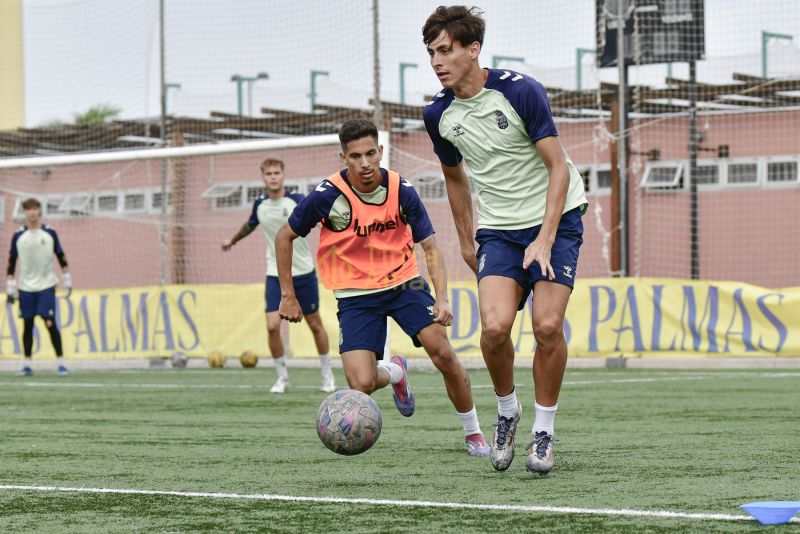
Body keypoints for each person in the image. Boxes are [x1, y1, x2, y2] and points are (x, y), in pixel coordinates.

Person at [422, 6, 588, 474]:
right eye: (432, 52)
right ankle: (507, 410)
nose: (437, 60)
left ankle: (544, 431)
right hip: (497, 229)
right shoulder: (438, 114)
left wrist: (545, 237)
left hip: (557, 218)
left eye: (446, 50)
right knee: (494, 329)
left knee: (548, 326)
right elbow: (454, 178)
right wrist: (466, 241)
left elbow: (558, 168)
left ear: (473, 49)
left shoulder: (520, 91)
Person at [276, 118, 490, 457]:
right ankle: (394, 372)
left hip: (406, 282)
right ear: (342, 158)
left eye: (371, 154)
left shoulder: (402, 190)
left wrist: (443, 298)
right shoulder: (327, 195)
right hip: (355, 294)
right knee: (360, 384)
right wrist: (288, 295)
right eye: (355, 156)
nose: (365, 163)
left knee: (443, 353)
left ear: (381, 152)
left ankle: (474, 433)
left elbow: (430, 247)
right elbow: (284, 236)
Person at [222, 157, 334, 394]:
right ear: (263, 177)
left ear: (283, 175)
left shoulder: (297, 200)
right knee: (273, 326)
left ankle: (327, 375)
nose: (273, 177)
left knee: (314, 323)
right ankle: (282, 377)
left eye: (276, 173)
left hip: (303, 272)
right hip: (275, 273)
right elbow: (249, 225)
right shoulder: (260, 204)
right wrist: (231, 241)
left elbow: (322, 218)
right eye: (268, 173)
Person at [6, 198, 72, 376]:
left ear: (39, 210)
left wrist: (68, 279)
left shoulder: (50, 233)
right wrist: (10, 286)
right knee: (27, 325)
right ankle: (27, 364)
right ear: (24, 212)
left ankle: (61, 362)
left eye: (35, 208)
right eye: (28, 209)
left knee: (49, 323)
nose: (32, 212)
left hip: (46, 285)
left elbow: (61, 255)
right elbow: (12, 261)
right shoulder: (18, 236)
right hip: (26, 287)